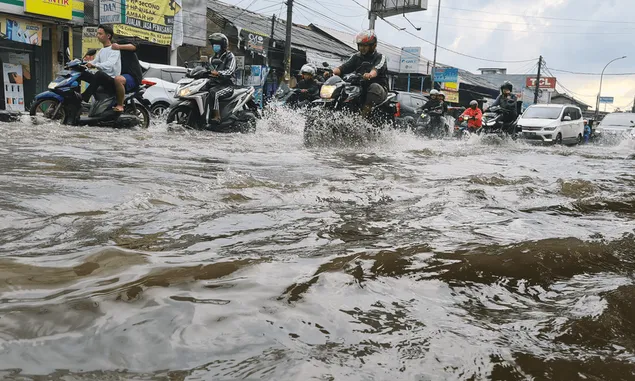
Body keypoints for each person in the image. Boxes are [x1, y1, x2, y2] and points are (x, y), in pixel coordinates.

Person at [332, 29, 388, 119]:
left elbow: (376, 68)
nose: (362, 48)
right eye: (360, 45)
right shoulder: (356, 57)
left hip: (379, 89)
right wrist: (334, 72)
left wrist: (370, 74)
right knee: (343, 89)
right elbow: (344, 67)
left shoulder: (380, 57)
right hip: (360, 86)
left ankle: (362, 119)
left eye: (365, 46)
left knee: (374, 87)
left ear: (373, 46)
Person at [81, 24, 121, 103]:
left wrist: (94, 65)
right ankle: (73, 96)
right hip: (102, 80)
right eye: (97, 33)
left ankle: (85, 96)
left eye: (100, 34)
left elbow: (110, 64)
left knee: (99, 74)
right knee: (81, 73)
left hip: (112, 81)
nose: (97, 36)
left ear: (108, 35)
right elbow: (95, 61)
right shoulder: (102, 50)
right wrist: (83, 64)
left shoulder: (115, 49)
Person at [206, 33, 236, 126]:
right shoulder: (212, 58)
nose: (215, 46)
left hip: (227, 85)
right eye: (214, 44)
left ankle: (216, 116)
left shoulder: (230, 56)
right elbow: (208, 69)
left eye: (217, 44)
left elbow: (230, 71)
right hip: (215, 84)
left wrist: (219, 73)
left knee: (214, 93)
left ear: (223, 45)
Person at [111, 38, 143, 112]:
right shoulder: (106, 51)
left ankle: (120, 105)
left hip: (132, 76)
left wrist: (118, 47)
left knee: (118, 80)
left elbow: (135, 46)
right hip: (118, 75)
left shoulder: (120, 42)